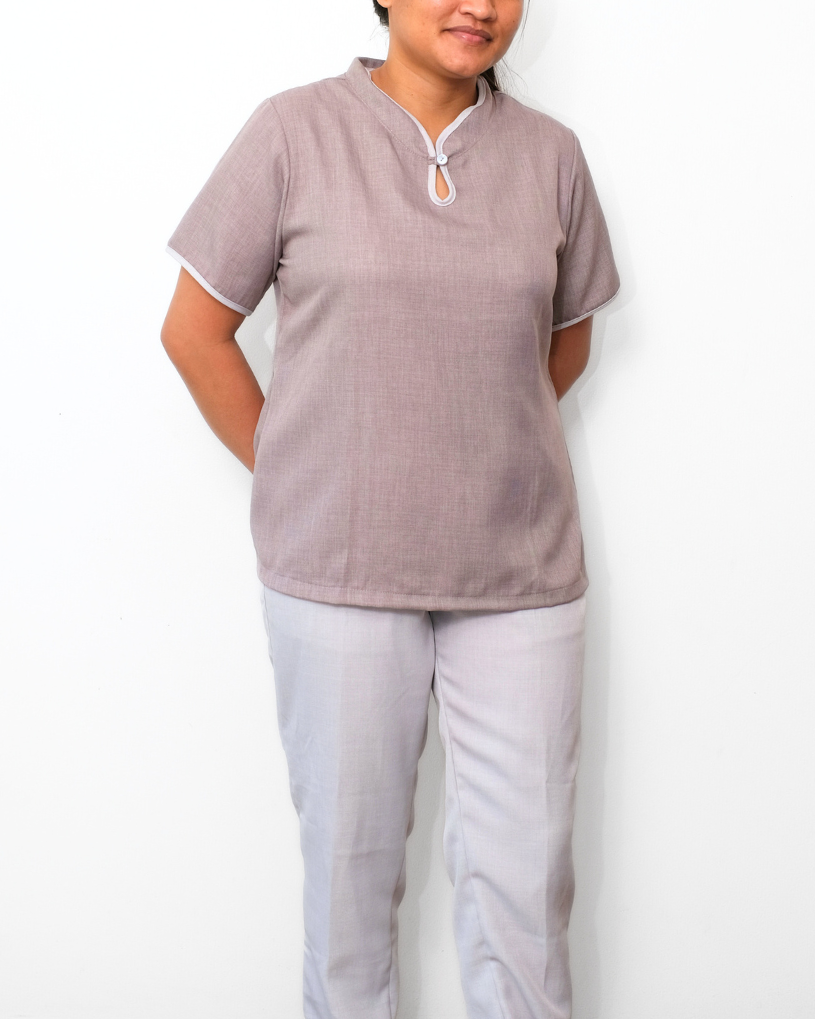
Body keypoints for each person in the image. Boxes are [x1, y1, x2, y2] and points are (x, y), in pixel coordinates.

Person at [160, 0, 621, 1015]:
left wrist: (476, 438)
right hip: (337, 570)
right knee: (349, 889)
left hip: (520, 572)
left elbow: (566, 337)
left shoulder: (550, 155)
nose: (479, 6)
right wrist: (302, 466)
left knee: (525, 896)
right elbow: (194, 331)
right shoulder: (293, 132)